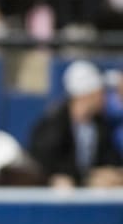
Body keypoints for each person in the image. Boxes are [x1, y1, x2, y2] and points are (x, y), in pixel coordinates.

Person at [29, 60, 123, 188]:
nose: (104, 96)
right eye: (100, 91)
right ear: (87, 95)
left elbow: (110, 160)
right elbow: (42, 165)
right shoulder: (52, 125)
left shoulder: (101, 125)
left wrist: (110, 173)